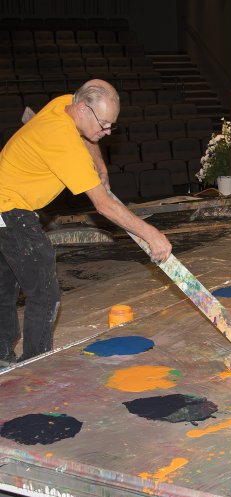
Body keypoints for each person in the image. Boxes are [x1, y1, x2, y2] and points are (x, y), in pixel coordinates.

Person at [0, 79, 172, 366]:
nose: (106, 132)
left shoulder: (64, 104)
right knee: (44, 290)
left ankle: (2, 353)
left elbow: (86, 136)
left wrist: (100, 165)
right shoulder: (62, 141)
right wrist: (151, 234)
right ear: (83, 109)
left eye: (111, 126)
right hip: (10, 209)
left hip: (3, 201)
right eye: (103, 124)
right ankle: (35, 366)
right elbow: (104, 206)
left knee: (5, 283)